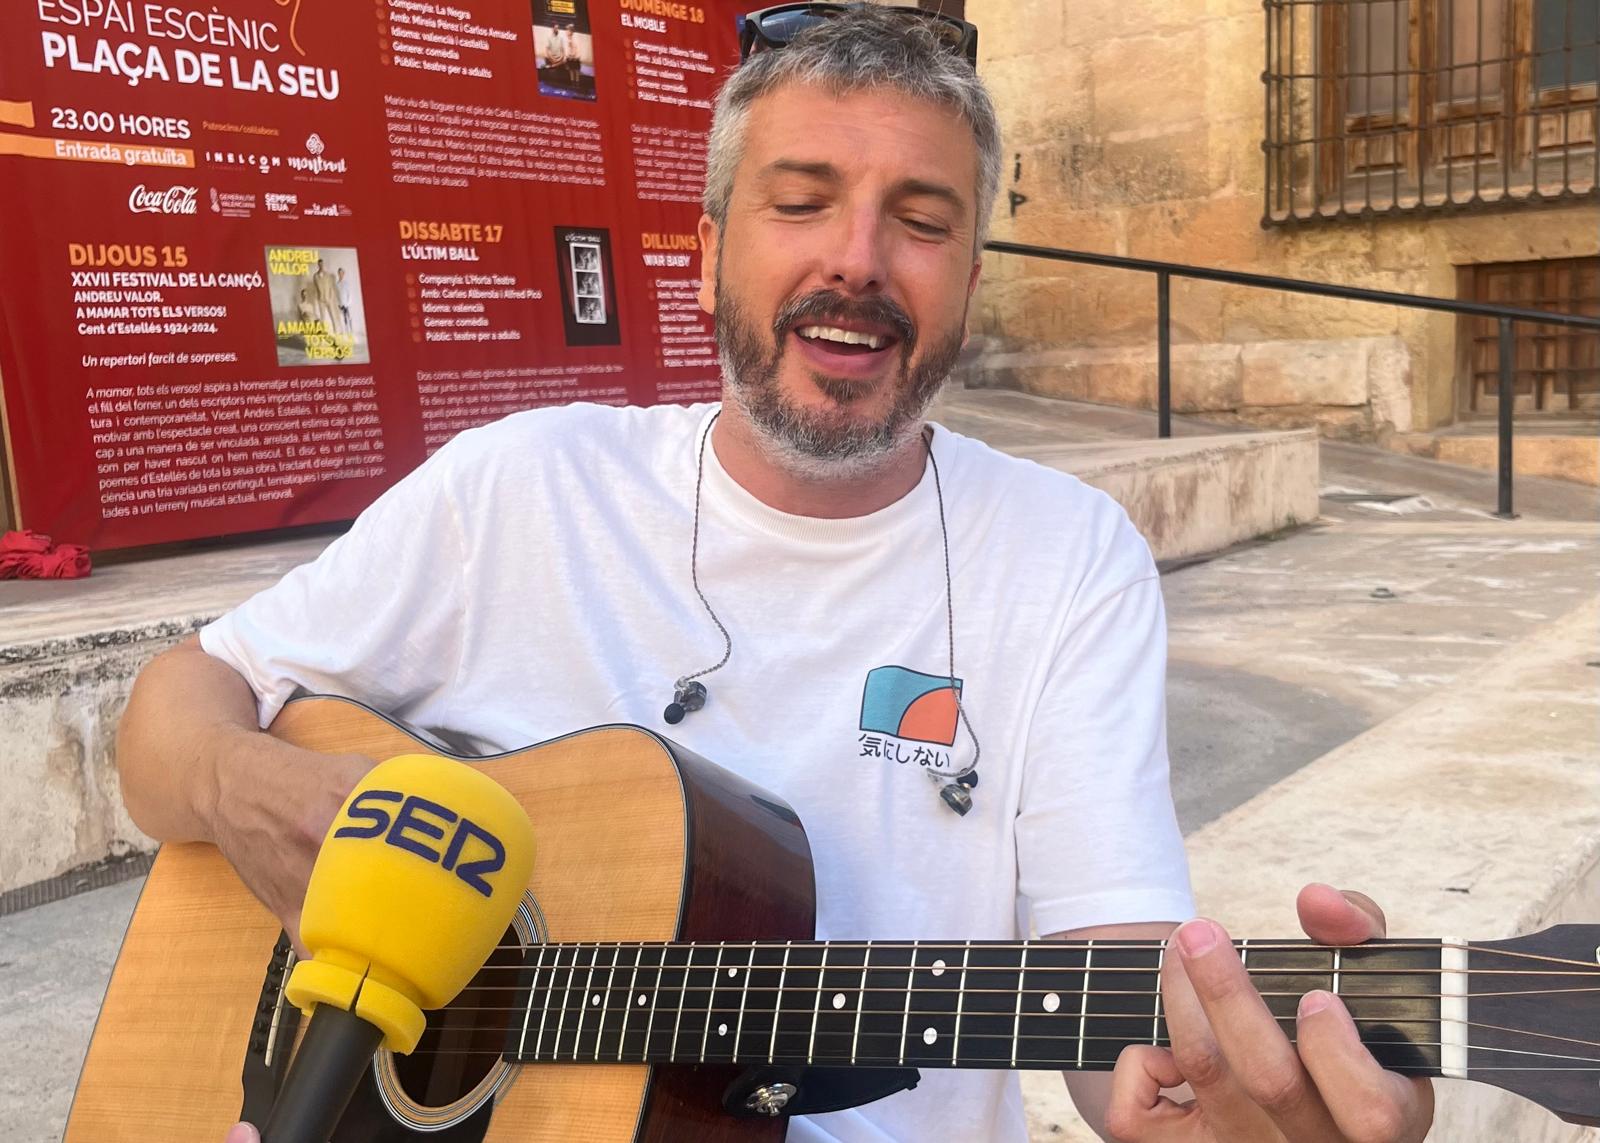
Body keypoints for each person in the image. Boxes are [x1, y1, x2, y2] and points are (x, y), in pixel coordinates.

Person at [122, 6, 1432, 1142]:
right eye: (800, 203)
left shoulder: (1064, 553)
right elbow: (174, 707)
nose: (855, 259)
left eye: (920, 222)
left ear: (968, 287)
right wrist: (249, 790)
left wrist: (1196, 1094)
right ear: (704, 255)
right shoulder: (522, 488)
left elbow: (1106, 961)